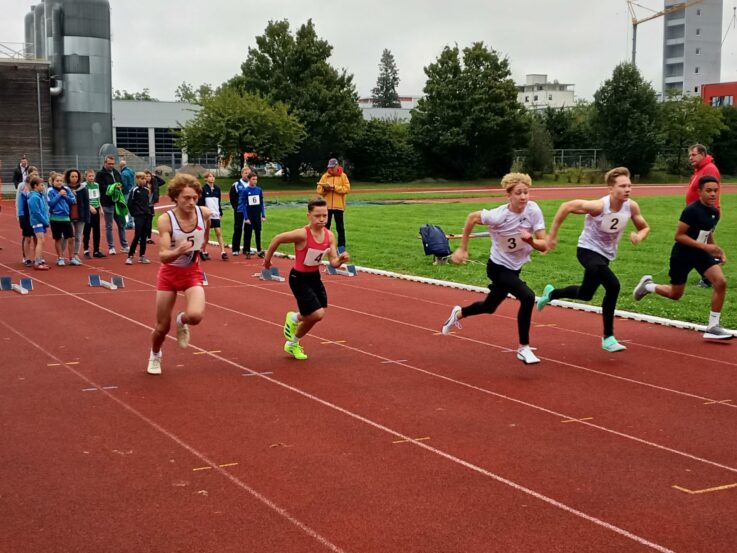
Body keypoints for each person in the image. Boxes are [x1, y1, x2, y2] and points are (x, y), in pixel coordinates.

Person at [536, 167, 650, 352]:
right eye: (622, 186)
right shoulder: (599, 206)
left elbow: (644, 227)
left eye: (629, 185)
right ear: (611, 189)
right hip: (587, 250)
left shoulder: (631, 206)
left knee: (585, 294)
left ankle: (551, 293)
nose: (627, 189)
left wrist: (639, 236)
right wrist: (552, 236)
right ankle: (608, 337)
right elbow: (567, 206)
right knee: (613, 286)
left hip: (605, 255)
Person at [441, 173, 548, 365]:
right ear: (508, 195)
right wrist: (463, 248)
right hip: (497, 268)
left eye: (526, 192)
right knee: (527, 296)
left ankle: (458, 313)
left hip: (515, 269)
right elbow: (472, 217)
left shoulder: (533, 210)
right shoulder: (498, 216)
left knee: (489, 307)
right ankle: (523, 348)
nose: (523, 197)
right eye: (518, 193)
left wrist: (530, 240)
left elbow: (544, 245)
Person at [633, 175, 732, 341]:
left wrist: (717, 251)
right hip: (683, 255)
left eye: (716, 190)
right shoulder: (691, 211)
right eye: (709, 190)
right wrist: (705, 247)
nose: (713, 194)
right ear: (699, 191)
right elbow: (679, 236)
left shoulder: (715, 212)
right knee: (675, 294)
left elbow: (708, 234)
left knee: (720, 282)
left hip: (701, 254)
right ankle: (648, 286)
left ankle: (713, 327)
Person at [263, 197, 350, 360]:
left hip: (314, 278)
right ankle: (294, 318)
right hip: (299, 278)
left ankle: (292, 342)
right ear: (309, 215)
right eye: (318, 216)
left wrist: (341, 260)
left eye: (325, 215)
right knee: (317, 314)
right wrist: (267, 260)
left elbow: (333, 262)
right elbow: (277, 239)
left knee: (314, 316)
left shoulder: (329, 236)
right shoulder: (302, 234)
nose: (322, 219)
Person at [148, 174, 211, 375]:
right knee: (161, 327)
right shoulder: (167, 220)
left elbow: (205, 234)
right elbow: (164, 256)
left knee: (195, 316)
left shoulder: (205, 214)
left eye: (194, 198)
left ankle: (181, 321)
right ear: (175, 197)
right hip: (169, 275)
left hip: (192, 273)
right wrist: (178, 251)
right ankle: (155, 355)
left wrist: (202, 246)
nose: (191, 202)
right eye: (186, 198)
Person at [686, 144, 721, 289]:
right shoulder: (699, 170)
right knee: (702, 244)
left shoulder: (709, 169)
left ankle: (708, 278)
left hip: (705, 214)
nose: (690, 158)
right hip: (696, 214)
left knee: (699, 245)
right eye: (689, 156)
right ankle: (711, 273)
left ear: (702, 154)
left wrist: (705, 213)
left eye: (693, 155)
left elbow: (711, 193)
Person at [96, 155, 129, 255]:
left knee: (121, 224)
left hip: (117, 203)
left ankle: (124, 245)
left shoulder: (116, 172)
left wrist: (120, 187)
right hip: (107, 203)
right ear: (105, 163)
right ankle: (111, 247)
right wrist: (113, 187)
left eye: (113, 164)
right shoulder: (100, 174)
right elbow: (101, 187)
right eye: (109, 164)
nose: (111, 166)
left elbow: (122, 184)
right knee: (109, 226)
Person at [316, 158, 350, 252]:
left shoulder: (343, 176)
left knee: (340, 227)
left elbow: (346, 189)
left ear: (337, 166)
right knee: (325, 226)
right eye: (329, 167)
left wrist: (334, 188)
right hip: (326, 207)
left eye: (332, 167)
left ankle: (341, 247)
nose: (330, 169)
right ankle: (324, 245)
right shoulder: (325, 176)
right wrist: (325, 189)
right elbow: (318, 190)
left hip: (339, 206)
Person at [47, 171, 77, 266]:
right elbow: (51, 203)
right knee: (58, 239)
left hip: (66, 218)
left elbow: (73, 201)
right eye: (57, 181)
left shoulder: (67, 189)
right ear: (52, 182)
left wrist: (65, 196)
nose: (59, 182)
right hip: (55, 218)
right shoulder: (50, 191)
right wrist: (59, 195)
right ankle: (60, 258)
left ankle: (72, 258)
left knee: (71, 238)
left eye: (61, 181)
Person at [198, 171, 228, 260]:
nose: (212, 178)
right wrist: (204, 213)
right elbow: (201, 202)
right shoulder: (203, 189)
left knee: (218, 232)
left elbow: (218, 202)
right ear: (206, 178)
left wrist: (220, 212)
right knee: (206, 234)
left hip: (215, 214)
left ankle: (223, 252)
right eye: (210, 176)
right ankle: (203, 250)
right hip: (207, 215)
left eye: (213, 176)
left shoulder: (217, 189)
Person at [126, 172, 153, 265]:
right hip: (138, 216)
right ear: (137, 179)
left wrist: (148, 213)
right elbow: (130, 204)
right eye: (141, 178)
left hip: (146, 216)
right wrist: (134, 214)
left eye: (145, 178)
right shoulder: (134, 190)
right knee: (137, 235)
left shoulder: (147, 190)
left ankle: (142, 256)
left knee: (144, 237)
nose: (144, 180)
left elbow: (146, 203)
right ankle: (130, 256)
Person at [239, 172, 266, 258]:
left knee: (258, 232)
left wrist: (263, 215)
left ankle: (259, 250)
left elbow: (261, 203)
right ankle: (247, 250)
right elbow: (243, 205)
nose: (255, 181)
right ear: (249, 180)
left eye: (256, 179)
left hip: (257, 214)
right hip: (249, 215)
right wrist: (246, 217)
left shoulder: (259, 190)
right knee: (248, 233)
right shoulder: (245, 191)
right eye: (253, 179)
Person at [65, 168, 88, 266]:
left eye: (76, 177)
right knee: (68, 236)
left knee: (78, 236)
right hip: (68, 215)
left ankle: (75, 254)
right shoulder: (64, 189)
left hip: (80, 215)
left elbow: (86, 203)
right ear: (68, 177)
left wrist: (87, 216)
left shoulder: (83, 189)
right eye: (72, 176)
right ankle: (62, 255)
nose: (74, 178)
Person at [17, 166, 39, 266]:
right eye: (33, 175)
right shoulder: (22, 189)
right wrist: (19, 215)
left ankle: (36, 257)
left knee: (36, 237)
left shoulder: (39, 189)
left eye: (36, 175)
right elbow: (19, 203)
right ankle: (26, 258)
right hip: (25, 216)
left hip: (36, 216)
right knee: (27, 238)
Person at [27, 176, 50, 270]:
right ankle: (37, 262)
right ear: (35, 186)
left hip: (40, 221)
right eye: (41, 185)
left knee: (41, 241)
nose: (43, 187)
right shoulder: (34, 197)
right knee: (40, 241)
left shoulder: (38, 196)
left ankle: (39, 261)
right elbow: (36, 212)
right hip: (38, 222)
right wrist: (45, 221)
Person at [82, 168, 105, 258]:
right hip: (88, 211)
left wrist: (101, 208)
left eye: (92, 176)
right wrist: (89, 207)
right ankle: (86, 250)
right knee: (87, 231)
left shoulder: (96, 185)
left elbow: (97, 198)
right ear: (86, 177)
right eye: (89, 176)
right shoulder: (83, 186)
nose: (91, 178)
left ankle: (96, 250)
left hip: (96, 209)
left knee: (97, 231)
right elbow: (83, 199)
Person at [229, 166, 250, 255]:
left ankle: (246, 249)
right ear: (242, 174)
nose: (247, 175)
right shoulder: (236, 184)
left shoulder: (251, 184)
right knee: (238, 228)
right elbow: (232, 197)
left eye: (249, 173)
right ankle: (235, 249)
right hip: (240, 210)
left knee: (248, 229)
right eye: (246, 173)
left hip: (249, 211)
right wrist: (236, 207)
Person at [119, 159, 136, 229]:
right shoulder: (131, 171)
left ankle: (129, 223)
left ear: (121, 166)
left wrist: (122, 191)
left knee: (127, 208)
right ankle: (132, 222)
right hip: (132, 190)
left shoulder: (123, 173)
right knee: (132, 207)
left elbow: (124, 184)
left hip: (126, 192)